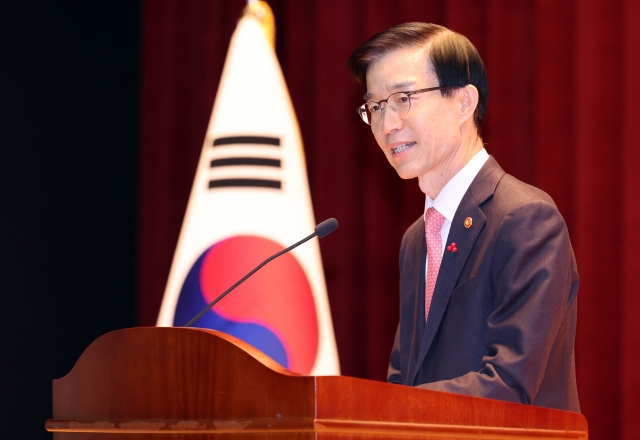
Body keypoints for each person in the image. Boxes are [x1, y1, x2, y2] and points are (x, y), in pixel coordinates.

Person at [348, 22, 580, 412]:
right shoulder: (417, 237)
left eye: (403, 98)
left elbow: (509, 383)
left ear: (463, 102)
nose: (387, 124)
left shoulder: (525, 219)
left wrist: (385, 407)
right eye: (376, 106)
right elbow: (406, 377)